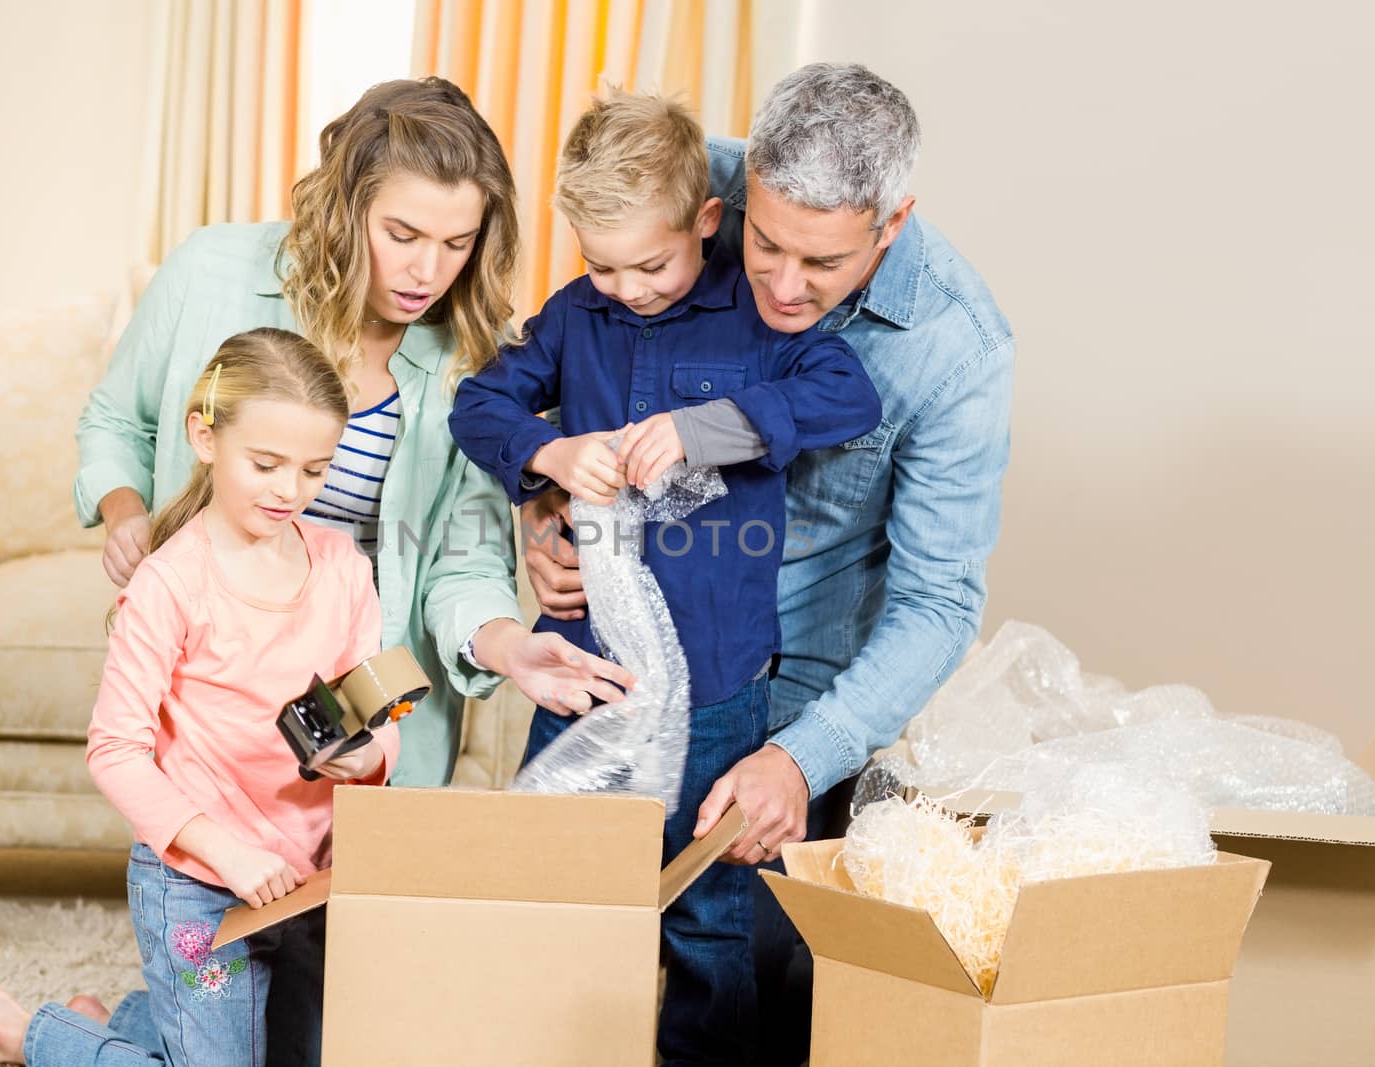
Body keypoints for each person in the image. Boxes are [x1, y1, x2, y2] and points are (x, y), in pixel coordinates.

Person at [519, 64, 1015, 1064]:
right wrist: (541, 497)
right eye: (765, 245)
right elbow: (570, 357)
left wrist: (802, 754)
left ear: (893, 219)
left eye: (822, 262)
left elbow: (938, 600)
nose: (783, 285)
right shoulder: (684, 189)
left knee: (743, 988)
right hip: (617, 648)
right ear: (733, 201)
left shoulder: (957, 351)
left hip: (783, 695)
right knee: (551, 942)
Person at [449, 90, 882, 1067]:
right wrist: (547, 458)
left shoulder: (758, 313)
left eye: (650, 263)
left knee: (706, 915)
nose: (628, 287)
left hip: (722, 687)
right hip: (587, 673)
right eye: (600, 264)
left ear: (706, 220)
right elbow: (479, 403)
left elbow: (843, 394)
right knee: (549, 884)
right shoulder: (573, 317)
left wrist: (702, 430)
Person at [75, 77, 631, 791]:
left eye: (456, 243)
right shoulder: (209, 273)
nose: (426, 271)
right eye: (401, 234)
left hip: (371, 686)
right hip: (210, 668)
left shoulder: (480, 360)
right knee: (203, 872)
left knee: (354, 896)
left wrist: (514, 648)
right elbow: (118, 418)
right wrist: (124, 509)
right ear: (345, 208)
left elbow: (462, 565)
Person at [0, 329, 392, 1065]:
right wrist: (226, 852)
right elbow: (115, 751)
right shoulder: (169, 582)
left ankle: (124, 1021)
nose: (291, 490)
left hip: (310, 882)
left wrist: (371, 755)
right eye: (267, 464)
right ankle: (16, 1027)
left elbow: (375, 708)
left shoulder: (344, 568)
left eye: (316, 469)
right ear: (205, 437)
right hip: (197, 886)